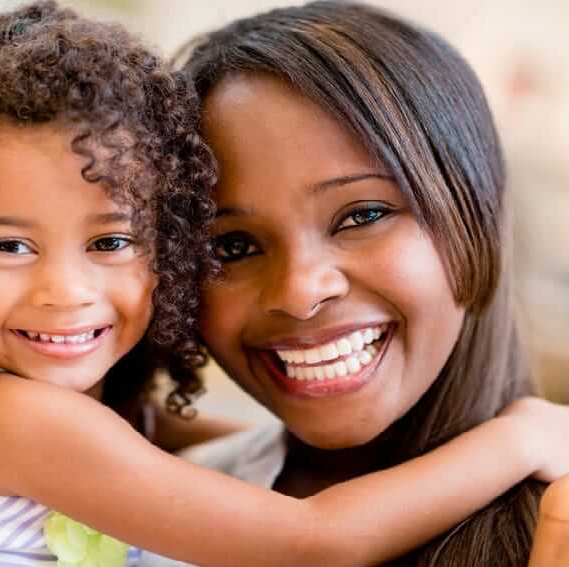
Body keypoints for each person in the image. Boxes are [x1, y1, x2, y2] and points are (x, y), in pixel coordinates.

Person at [0, 2, 569, 566]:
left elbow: (182, 452)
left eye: (110, 239)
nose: (65, 289)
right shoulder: (1, 415)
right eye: (7, 245)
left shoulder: (84, 427)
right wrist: (521, 436)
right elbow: (319, 538)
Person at [142, 1, 569, 565]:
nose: (300, 291)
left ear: (479, 213)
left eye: (362, 215)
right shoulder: (147, 521)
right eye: (233, 246)